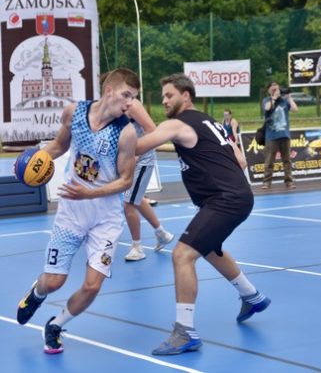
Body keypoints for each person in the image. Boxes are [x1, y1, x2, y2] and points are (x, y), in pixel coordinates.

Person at [135, 73, 270, 356]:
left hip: (224, 200)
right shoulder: (212, 123)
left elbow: (141, 145)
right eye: (162, 97)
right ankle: (252, 296)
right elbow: (241, 160)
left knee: (181, 255)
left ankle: (185, 332)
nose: (164, 101)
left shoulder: (179, 123)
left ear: (186, 96)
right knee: (207, 249)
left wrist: (124, 128)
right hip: (233, 196)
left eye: (169, 95)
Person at [15, 68, 139, 354]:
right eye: (126, 95)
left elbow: (125, 180)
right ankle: (37, 293)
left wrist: (91, 193)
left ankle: (56, 325)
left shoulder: (126, 132)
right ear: (109, 91)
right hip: (71, 213)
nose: (129, 103)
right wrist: (33, 161)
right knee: (54, 282)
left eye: (133, 98)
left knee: (93, 286)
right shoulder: (74, 112)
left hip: (105, 218)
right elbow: (59, 145)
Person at [123, 97, 174, 262]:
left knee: (128, 203)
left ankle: (137, 248)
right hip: (128, 159)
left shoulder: (132, 104)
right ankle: (162, 234)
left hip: (142, 159)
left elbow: (152, 130)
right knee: (136, 199)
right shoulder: (114, 107)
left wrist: (138, 153)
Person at [261, 82, 298, 190]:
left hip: (284, 134)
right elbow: (267, 109)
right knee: (269, 160)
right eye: (273, 89)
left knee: (287, 160)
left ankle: (289, 182)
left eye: (277, 89)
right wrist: (274, 98)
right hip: (272, 136)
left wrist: (289, 97)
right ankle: (267, 182)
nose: (275, 91)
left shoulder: (284, 101)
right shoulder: (266, 100)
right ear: (269, 91)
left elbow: (295, 110)